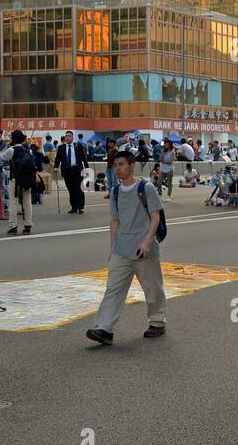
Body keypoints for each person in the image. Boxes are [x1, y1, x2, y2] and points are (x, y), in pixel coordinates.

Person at [86, 149, 167, 346]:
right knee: (113, 289)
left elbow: (156, 216)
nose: (118, 169)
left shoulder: (145, 187)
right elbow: (115, 221)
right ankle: (104, 328)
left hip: (143, 248)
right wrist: (112, 248)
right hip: (122, 249)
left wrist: (147, 242)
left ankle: (157, 321)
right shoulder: (114, 192)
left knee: (152, 287)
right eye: (115, 165)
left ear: (131, 165)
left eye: (121, 164)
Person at [0, 129, 38, 236]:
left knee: (13, 202)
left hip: (15, 179)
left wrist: (6, 147)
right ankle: (28, 225)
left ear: (13, 139)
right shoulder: (28, 150)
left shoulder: (12, 150)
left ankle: (13, 226)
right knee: (27, 202)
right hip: (27, 179)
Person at [54, 131, 89, 214]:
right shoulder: (61, 147)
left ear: (73, 138)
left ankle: (80, 207)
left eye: (69, 136)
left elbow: (84, 158)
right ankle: (73, 207)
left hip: (77, 170)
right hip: (67, 171)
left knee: (79, 189)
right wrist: (55, 167)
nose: (67, 137)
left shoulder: (78, 146)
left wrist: (87, 169)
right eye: (66, 136)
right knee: (71, 190)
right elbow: (57, 159)